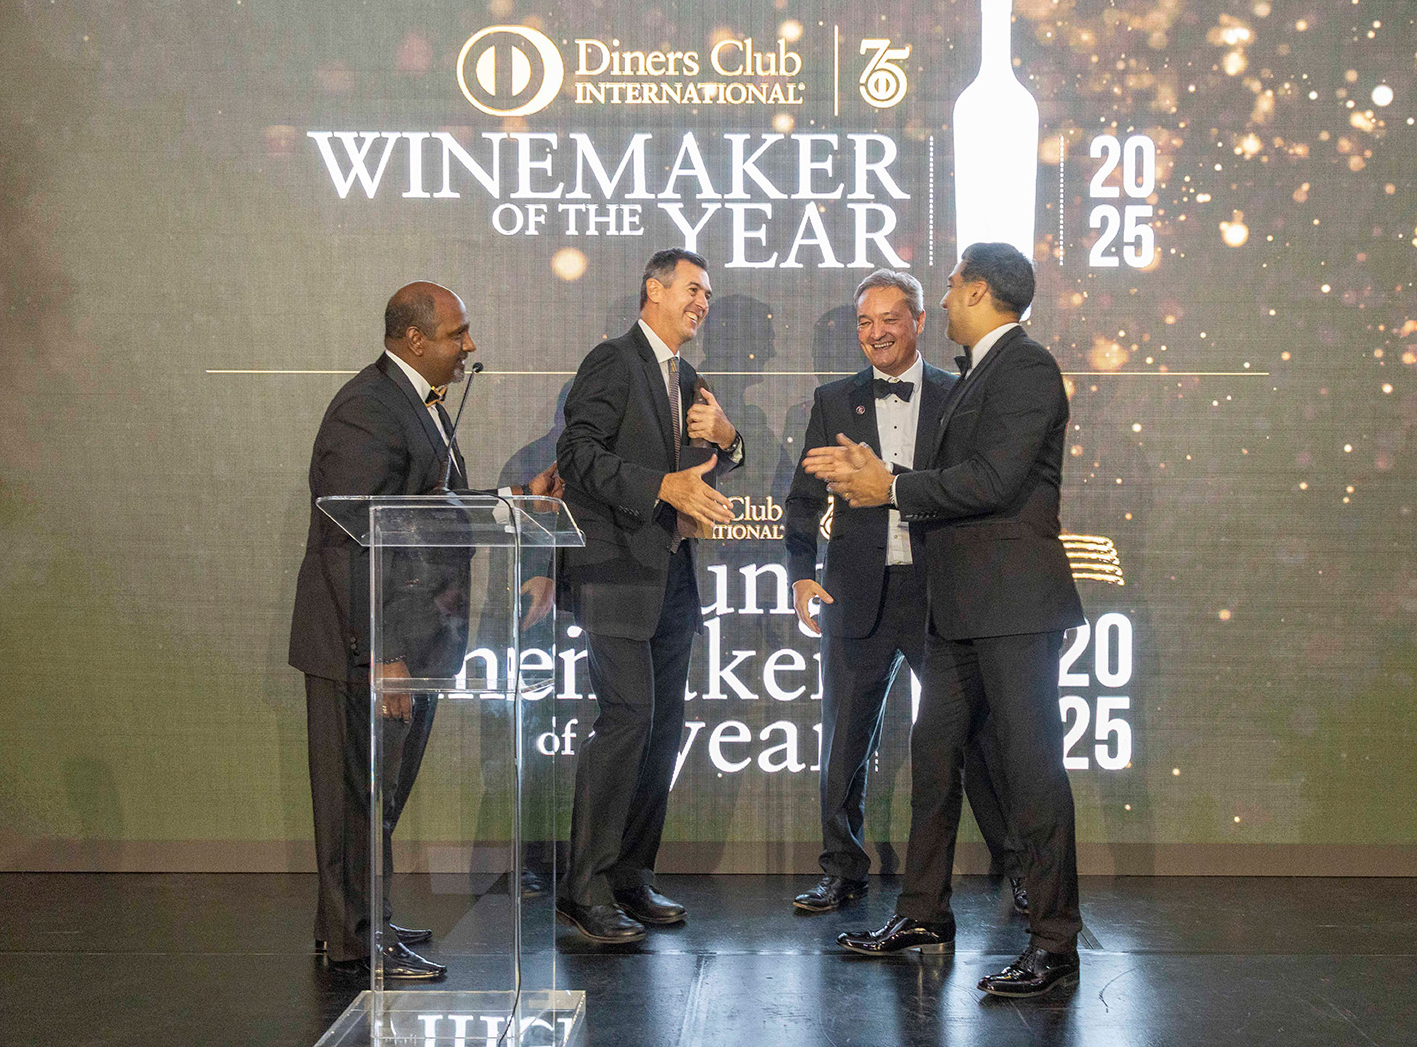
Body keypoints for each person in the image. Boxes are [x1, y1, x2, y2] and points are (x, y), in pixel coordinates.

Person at [803, 243, 1086, 997]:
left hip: (1013, 606)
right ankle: (924, 911)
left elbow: (993, 480)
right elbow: (959, 478)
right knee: (934, 757)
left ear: (980, 291)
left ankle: (1055, 941)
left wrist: (890, 486)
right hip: (958, 607)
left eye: (955, 283)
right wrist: (887, 483)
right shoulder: (980, 371)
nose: (949, 293)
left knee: (1031, 769)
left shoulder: (1025, 366)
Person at [289, 281, 561, 979]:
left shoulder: (417, 403)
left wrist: (514, 502)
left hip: (416, 641)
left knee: (376, 798)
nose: (469, 345)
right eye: (456, 334)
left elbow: (426, 510)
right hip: (365, 648)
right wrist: (385, 653)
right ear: (414, 339)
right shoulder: (368, 409)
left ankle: (356, 920)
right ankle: (357, 939)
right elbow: (356, 540)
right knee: (356, 798)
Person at [784, 268, 1028, 915]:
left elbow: (976, 489)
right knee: (843, 741)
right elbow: (802, 500)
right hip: (855, 595)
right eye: (864, 322)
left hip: (939, 594)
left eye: (889, 319)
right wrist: (801, 572)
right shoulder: (833, 401)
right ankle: (841, 869)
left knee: (976, 741)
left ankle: (1020, 868)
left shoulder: (959, 393)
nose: (876, 333)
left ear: (919, 321)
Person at [554, 248, 745, 943]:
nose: (702, 303)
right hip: (615, 574)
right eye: (693, 289)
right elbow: (576, 455)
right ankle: (584, 887)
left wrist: (730, 440)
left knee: (662, 729)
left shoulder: (688, 378)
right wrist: (660, 487)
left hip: (672, 578)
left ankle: (631, 876)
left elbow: (714, 460)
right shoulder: (613, 360)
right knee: (627, 719)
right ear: (653, 290)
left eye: (708, 294)